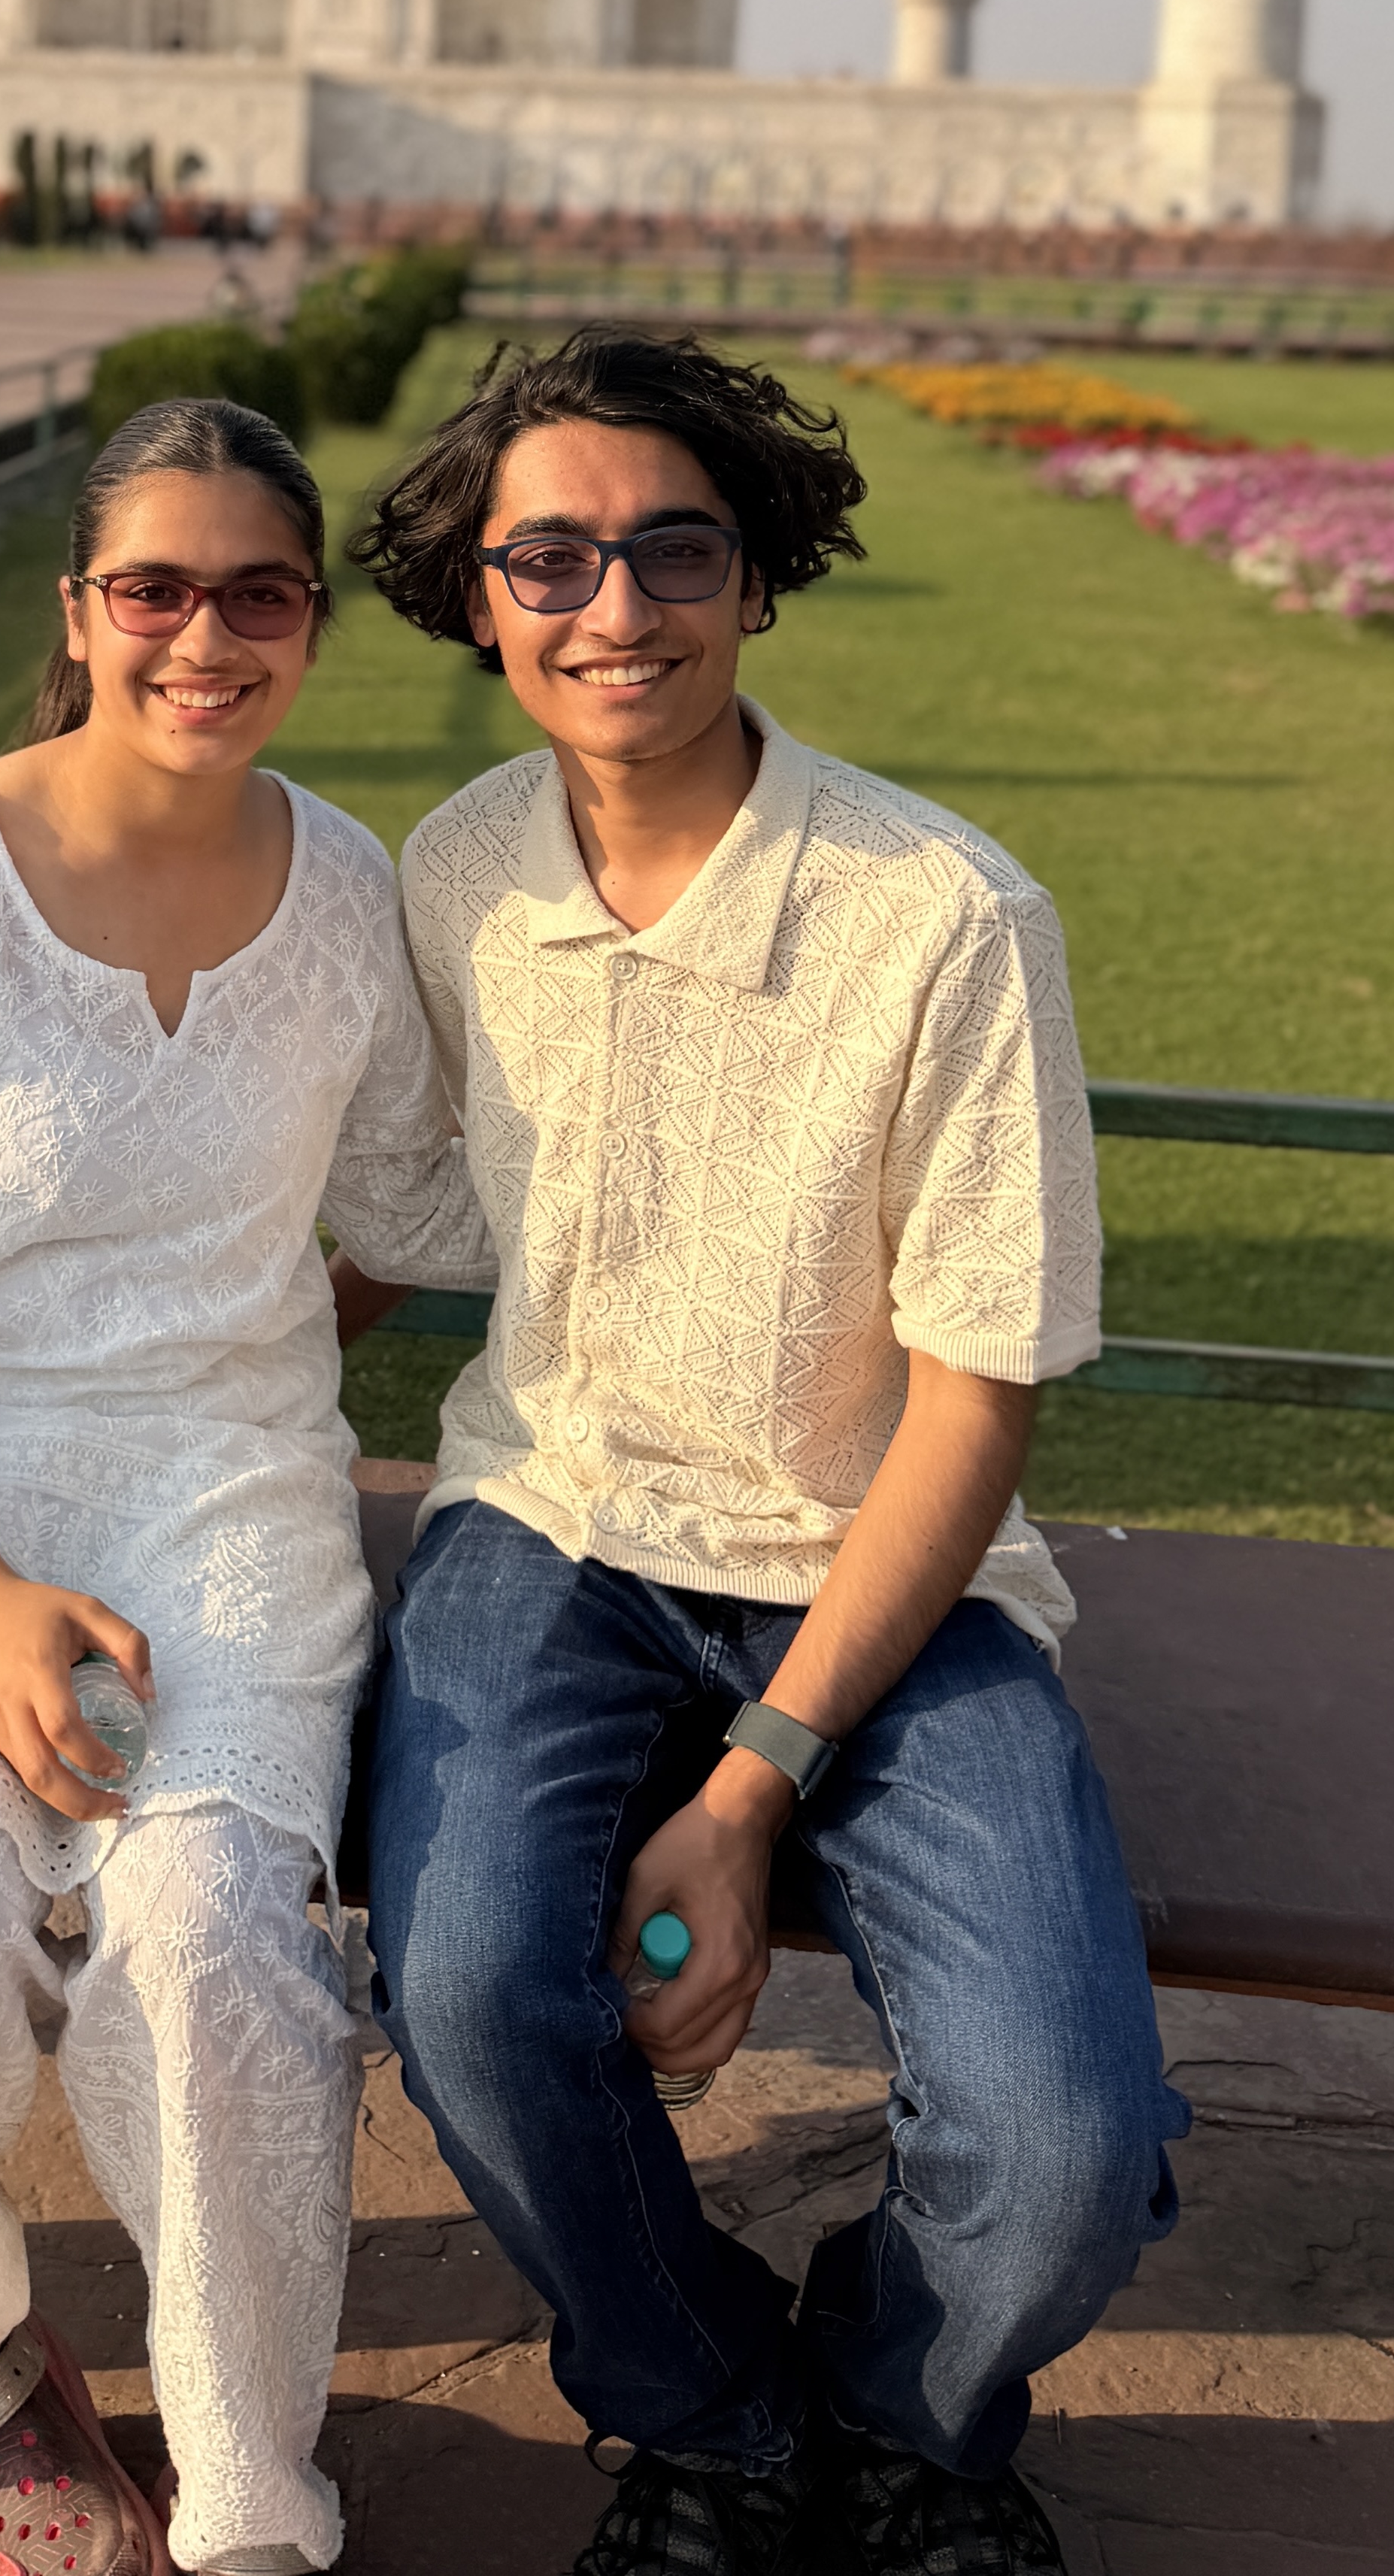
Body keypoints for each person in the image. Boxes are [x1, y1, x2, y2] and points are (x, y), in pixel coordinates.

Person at [342, 331, 1187, 2576]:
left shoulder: (941, 917)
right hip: (552, 1520)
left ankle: (908, 2409)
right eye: (551, 559)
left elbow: (975, 1400)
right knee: (467, 1994)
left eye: (675, 550)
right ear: (481, 595)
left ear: (758, 575)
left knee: (1067, 2142)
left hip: (878, 1553)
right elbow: (397, 1221)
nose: (615, 607)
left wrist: (745, 1796)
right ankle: (709, 2414)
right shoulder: (463, 867)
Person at [0, 395, 492, 2576]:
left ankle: (248, 2468)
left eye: (259, 596)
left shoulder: (342, 897)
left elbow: (422, 1202)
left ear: (310, 625)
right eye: (155, 589)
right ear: (80, 610)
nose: (204, 639)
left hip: (225, 1494)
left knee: (213, 1927)